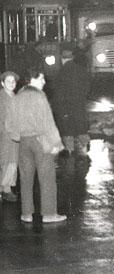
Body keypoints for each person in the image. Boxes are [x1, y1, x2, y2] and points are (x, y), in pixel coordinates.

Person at [6, 67, 66, 223]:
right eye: (41, 79)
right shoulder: (39, 96)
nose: (44, 82)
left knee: (26, 179)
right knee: (47, 178)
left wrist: (17, 136)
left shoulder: (17, 97)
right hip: (41, 141)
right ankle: (49, 214)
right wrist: (56, 143)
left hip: (24, 142)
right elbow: (48, 122)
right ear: (32, 79)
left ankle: (26, 214)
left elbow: (9, 123)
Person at [52, 46, 91, 159]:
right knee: (81, 129)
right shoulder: (81, 70)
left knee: (68, 132)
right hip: (79, 106)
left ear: (62, 59)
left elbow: (58, 93)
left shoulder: (60, 73)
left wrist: (56, 108)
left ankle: (70, 153)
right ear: (72, 58)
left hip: (65, 108)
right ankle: (84, 151)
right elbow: (87, 87)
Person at [0, 71, 20, 202]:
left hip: (15, 135)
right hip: (6, 135)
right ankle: (6, 189)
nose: (12, 84)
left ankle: (5, 188)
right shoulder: (2, 98)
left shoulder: (15, 96)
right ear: (2, 83)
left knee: (12, 161)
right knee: (7, 161)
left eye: (13, 81)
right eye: (8, 81)